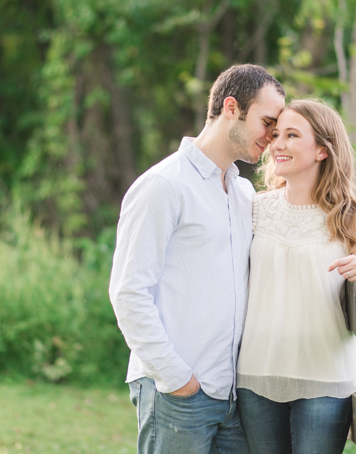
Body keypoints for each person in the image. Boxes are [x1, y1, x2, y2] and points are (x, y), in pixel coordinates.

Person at [109, 64, 286, 454]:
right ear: (231, 108)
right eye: (267, 122)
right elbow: (128, 292)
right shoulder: (163, 186)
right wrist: (177, 380)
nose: (273, 138)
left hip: (233, 397)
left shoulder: (242, 195)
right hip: (177, 393)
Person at [235, 98, 356, 454]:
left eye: (291, 135)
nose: (277, 144)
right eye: (276, 135)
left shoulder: (353, 215)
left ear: (322, 150)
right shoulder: (254, 209)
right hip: (257, 374)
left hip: (326, 379)